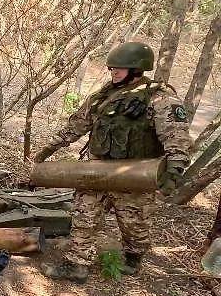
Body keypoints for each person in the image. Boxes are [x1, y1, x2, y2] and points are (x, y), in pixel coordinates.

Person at [34, 42, 192, 282]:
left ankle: (134, 256)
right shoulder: (103, 96)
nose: (114, 72)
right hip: (97, 171)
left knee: (134, 224)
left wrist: (172, 173)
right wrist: (49, 148)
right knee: (84, 216)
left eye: (121, 68)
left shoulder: (160, 98)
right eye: (112, 68)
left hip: (135, 175)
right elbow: (77, 125)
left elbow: (177, 139)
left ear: (137, 69)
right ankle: (77, 265)